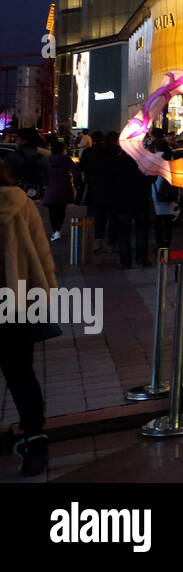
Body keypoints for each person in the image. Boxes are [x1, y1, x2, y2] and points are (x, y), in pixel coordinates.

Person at [0, 162, 58, 475]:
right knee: (22, 375)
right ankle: (35, 441)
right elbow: (40, 249)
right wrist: (47, 294)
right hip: (16, 304)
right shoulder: (20, 201)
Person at [111, 140, 153, 268]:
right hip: (140, 200)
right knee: (141, 231)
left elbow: (111, 182)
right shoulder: (142, 161)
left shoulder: (117, 162)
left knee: (124, 233)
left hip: (122, 201)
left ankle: (126, 261)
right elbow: (150, 178)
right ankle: (141, 258)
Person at [42, 140, 81, 242]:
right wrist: (78, 183)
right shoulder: (66, 159)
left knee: (52, 210)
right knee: (61, 209)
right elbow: (75, 171)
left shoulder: (48, 160)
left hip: (51, 187)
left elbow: (43, 173)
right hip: (64, 186)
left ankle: (55, 230)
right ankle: (58, 230)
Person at [149, 129, 180, 251]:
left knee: (158, 220)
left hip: (157, 190)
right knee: (168, 220)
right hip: (170, 190)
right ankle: (167, 242)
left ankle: (159, 243)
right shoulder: (171, 157)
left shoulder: (155, 158)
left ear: (156, 147)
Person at [4, 128, 48, 202]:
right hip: (36, 196)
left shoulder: (12, 157)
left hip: (14, 197)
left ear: (24, 141)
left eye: (17, 139)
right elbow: (47, 178)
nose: (16, 141)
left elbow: (5, 178)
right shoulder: (42, 158)